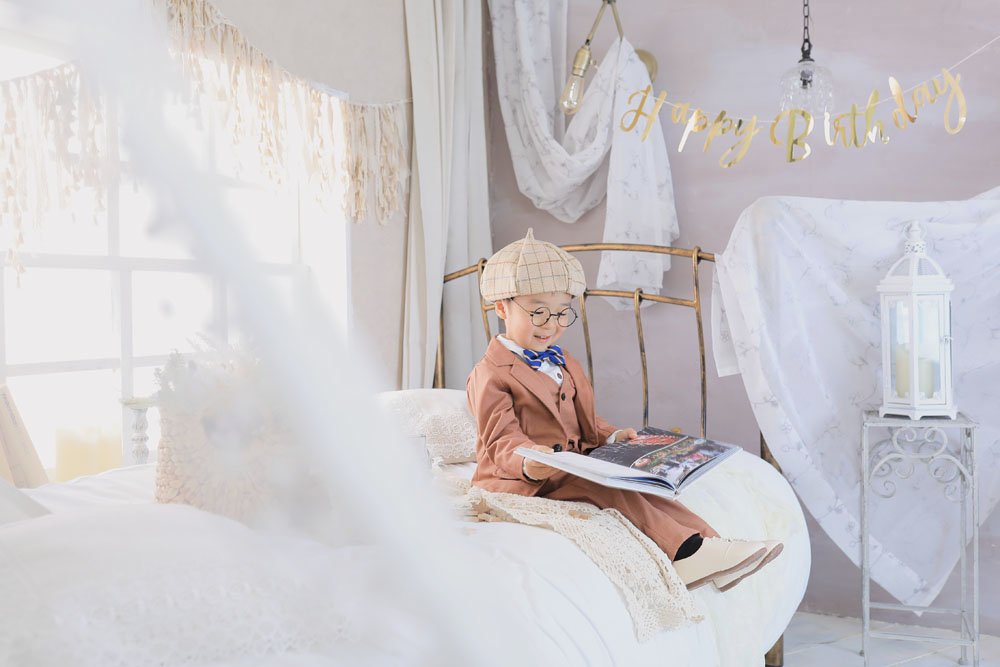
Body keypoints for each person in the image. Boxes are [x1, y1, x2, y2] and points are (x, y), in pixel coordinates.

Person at [466, 229, 782, 591]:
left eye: (562, 313)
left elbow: (583, 421)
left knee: (646, 489)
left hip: (574, 465)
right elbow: (500, 441)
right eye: (538, 313)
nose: (551, 325)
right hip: (525, 481)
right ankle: (685, 555)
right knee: (610, 493)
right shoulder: (490, 374)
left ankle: (713, 546)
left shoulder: (563, 360)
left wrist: (611, 435)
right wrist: (529, 460)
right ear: (502, 308)